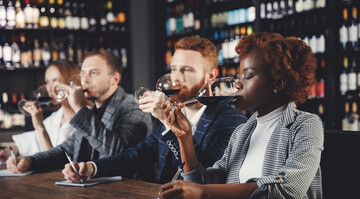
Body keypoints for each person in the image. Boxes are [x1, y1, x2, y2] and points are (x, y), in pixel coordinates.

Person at [158, 33, 328, 199]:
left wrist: (203, 193)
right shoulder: (243, 131)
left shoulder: (305, 125)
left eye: (247, 76)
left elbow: (289, 189)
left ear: (279, 82)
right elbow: (205, 182)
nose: (237, 84)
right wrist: (184, 138)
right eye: (239, 76)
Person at [62, 36, 247, 183]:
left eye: (187, 70)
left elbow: (199, 173)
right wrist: (92, 168)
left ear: (211, 76)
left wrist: (168, 122)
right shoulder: (173, 112)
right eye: (174, 69)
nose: (176, 78)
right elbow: (134, 156)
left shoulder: (231, 121)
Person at [6, 50, 153, 173]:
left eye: (93, 73)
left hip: (130, 194)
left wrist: (78, 108)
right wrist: (31, 161)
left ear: (115, 78)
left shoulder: (134, 106)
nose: (85, 80)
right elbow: (65, 150)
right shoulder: (94, 110)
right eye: (82, 73)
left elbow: (119, 153)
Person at [0, 60, 88, 161]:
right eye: (47, 82)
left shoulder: (87, 118)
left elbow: (52, 161)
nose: (50, 88)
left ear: (71, 82)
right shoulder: (55, 118)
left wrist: (40, 127)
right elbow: (30, 141)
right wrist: (7, 152)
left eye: (56, 81)